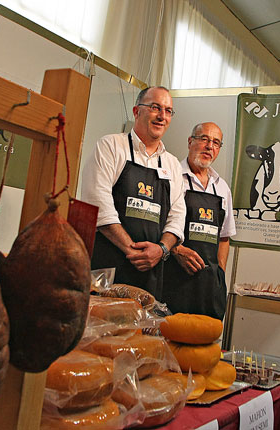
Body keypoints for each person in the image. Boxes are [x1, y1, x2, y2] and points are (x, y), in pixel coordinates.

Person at [80, 87, 185, 299]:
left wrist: (162, 249)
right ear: (137, 111)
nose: (161, 116)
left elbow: (177, 216)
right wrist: (133, 251)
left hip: (151, 274)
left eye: (168, 110)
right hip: (108, 269)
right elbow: (98, 204)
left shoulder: (172, 164)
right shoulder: (111, 146)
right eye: (155, 107)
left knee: (143, 331)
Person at [161, 122, 236, 320]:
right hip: (172, 280)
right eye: (204, 139)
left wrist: (219, 274)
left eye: (216, 143)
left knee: (204, 347)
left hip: (208, 290)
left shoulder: (222, 188)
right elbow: (157, 225)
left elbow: (224, 237)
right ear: (190, 141)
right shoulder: (171, 175)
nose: (209, 146)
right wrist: (176, 250)